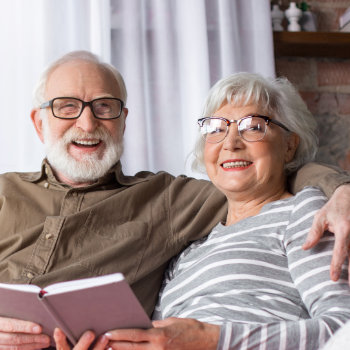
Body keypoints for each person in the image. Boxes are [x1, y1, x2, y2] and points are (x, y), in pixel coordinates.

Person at [0, 52, 349, 349]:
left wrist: (341, 191)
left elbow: (342, 328)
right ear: (39, 122)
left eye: (252, 126)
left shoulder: (171, 201)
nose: (87, 122)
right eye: (67, 107)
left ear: (123, 120)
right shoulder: (190, 249)